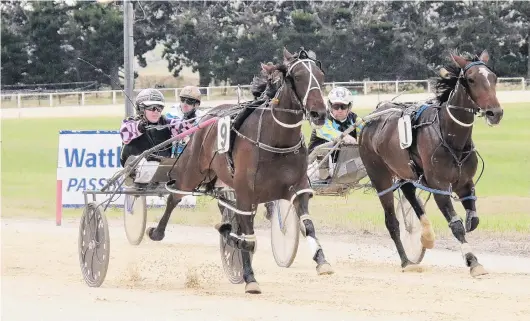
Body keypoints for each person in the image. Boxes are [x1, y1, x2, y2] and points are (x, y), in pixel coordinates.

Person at [119, 88, 194, 185]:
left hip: (162, 168)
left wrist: (190, 118)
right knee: (151, 165)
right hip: (135, 169)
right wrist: (140, 126)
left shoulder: (166, 123)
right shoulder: (131, 122)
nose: (156, 111)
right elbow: (124, 133)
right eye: (152, 108)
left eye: (159, 108)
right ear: (141, 109)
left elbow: (183, 127)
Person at [307, 86, 358, 181]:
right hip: (314, 168)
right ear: (330, 106)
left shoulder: (354, 119)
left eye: (343, 106)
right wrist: (344, 137)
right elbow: (328, 132)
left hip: (341, 166)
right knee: (323, 150)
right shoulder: (322, 120)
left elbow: (366, 128)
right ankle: (325, 178)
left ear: (349, 107)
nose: (339, 110)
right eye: (336, 106)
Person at [166, 85, 205, 156]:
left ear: (197, 104)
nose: (185, 104)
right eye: (182, 100)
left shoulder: (201, 118)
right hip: (172, 156)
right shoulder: (171, 115)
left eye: (189, 101)